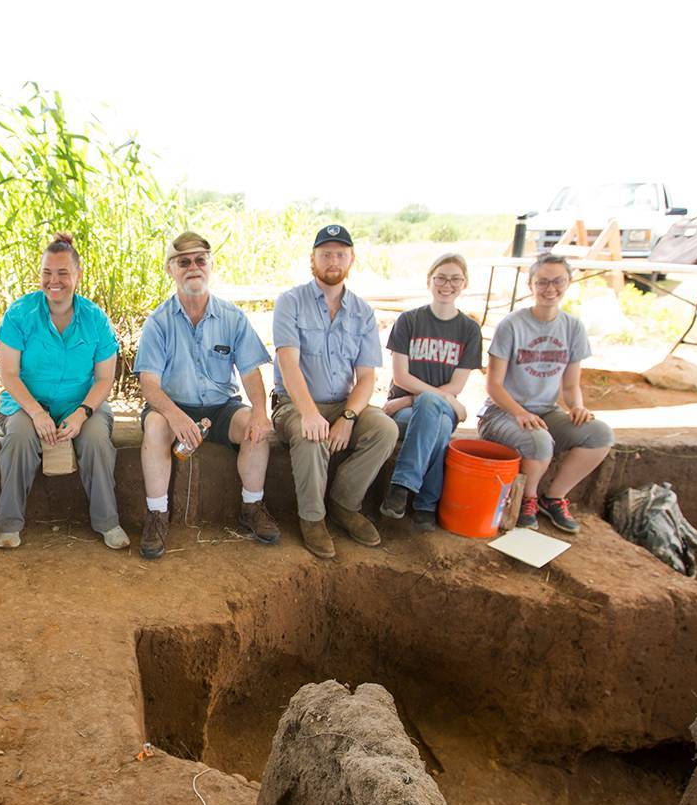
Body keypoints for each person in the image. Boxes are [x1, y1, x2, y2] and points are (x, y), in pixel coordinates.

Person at [134, 231, 278, 560]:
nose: (193, 267)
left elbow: (250, 372)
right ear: (170, 270)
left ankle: (252, 507)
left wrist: (259, 411)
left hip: (221, 407)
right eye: (183, 262)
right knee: (155, 426)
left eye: (201, 260)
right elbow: (150, 386)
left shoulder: (232, 317)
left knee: (255, 430)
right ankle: (157, 515)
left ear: (211, 266)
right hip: (173, 407)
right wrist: (175, 416)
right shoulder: (158, 323)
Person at [0, 233, 128, 550]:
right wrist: (37, 413)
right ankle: (9, 523)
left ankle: (108, 523)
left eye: (63, 273)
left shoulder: (95, 319)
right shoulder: (19, 314)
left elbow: (104, 379)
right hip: (25, 403)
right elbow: (8, 374)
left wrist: (82, 414)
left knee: (96, 438)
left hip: (82, 404)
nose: (54, 281)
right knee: (19, 437)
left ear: (78, 276)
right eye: (47, 273)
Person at [272, 224, 399, 558]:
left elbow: (367, 377)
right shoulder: (291, 302)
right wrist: (310, 413)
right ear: (312, 259)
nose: (333, 260)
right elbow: (288, 364)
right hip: (294, 405)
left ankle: (344, 503)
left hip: (341, 402)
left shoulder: (362, 312)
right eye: (325, 253)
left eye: (340, 254)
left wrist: (348, 416)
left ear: (351, 259)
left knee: (385, 429)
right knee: (310, 433)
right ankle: (312, 518)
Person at [479, 253, 614, 532]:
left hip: (547, 411)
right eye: (542, 282)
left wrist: (577, 406)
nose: (550, 289)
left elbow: (570, 385)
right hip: (504, 411)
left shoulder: (573, 327)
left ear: (568, 283)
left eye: (557, 281)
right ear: (531, 285)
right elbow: (493, 385)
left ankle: (553, 498)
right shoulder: (512, 325)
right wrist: (519, 412)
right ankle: (528, 498)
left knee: (600, 434)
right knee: (539, 441)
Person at [378, 253, 484, 532]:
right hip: (402, 411)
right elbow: (402, 375)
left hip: (417, 402)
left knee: (432, 412)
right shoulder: (409, 321)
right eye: (441, 277)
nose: (447, 284)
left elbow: (457, 387)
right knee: (438, 427)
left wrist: (417, 397)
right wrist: (434, 400)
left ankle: (401, 486)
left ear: (465, 283)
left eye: (455, 279)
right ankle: (425, 504)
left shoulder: (469, 330)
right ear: (429, 281)